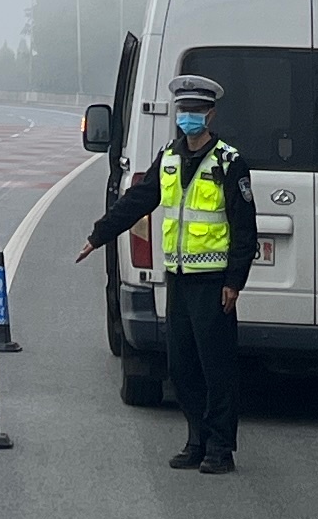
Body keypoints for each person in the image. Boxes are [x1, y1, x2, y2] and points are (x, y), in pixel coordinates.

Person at [76, 70, 255, 473]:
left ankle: (220, 448)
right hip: (177, 279)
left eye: (196, 110)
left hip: (213, 284)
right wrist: (100, 234)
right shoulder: (170, 159)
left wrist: (234, 282)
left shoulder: (229, 162)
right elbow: (138, 200)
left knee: (217, 369)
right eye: (183, 110)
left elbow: (245, 228)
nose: (187, 116)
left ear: (210, 115)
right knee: (182, 367)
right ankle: (196, 439)